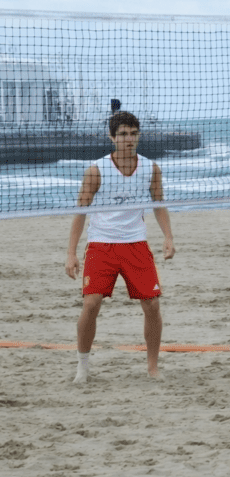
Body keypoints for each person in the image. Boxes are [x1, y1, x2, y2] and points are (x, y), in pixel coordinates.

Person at [65, 110, 175, 382]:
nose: (129, 139)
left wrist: (168, 237)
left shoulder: (150, 168)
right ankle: (82, 367)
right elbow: (80, 212)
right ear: (112, 137)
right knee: (91, 304)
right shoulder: (96, 171)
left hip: (135, 244)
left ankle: (152, 367)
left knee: (152, 306)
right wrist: (71, 253)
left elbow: (159, 204)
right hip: (101, 245)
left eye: (133, 134)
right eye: (123, 134)